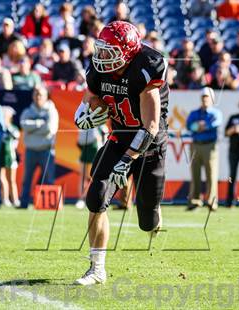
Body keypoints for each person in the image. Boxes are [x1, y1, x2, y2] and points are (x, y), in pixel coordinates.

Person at [74, 21, 169, 285]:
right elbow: (91, 97)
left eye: (110, 51)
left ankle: (154, 214)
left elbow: (149, 126)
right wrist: (84, 113)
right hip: (119, 136)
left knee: (148, 222)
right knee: (96, 197)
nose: (103, 57)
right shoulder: (98, 69)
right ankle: (97, 268)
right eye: (102, 50)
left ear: (127, 52)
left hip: (150, 143)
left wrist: (128, 160)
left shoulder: (146, 67)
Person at [19, 86, 59, 209]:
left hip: (46, 150)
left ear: (46, 96)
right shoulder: (27, 111)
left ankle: (47, 205)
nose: (38, 97)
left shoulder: (51, 111)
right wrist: (39, 124)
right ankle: (24, 203)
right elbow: (23, 125)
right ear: (33, 96)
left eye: (41, 94)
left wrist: (32, 128)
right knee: (27, 180)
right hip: (31, 150)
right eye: (36, 94)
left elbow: (50, 128)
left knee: (48, 179)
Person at [186, 87, 222, 211]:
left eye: (207, 97)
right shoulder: (194, 113)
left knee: (211, 174)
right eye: (203, 97)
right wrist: (202, 126)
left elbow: (216, 123)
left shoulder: (215, 113)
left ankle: (212, 201)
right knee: (195, 174)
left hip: (210, 145)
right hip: (196, 145)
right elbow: (189, 125)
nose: (205, 99)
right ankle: (195, 201)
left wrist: (203, 126)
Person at [75, 126, 106, 209]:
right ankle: (81, 199)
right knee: (83, 176)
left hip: (96, 148)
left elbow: (105, 137)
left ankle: (97, 199)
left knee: (96, 177)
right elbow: (79, 139)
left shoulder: (100, 124)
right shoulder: (82, 120)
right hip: (85, 148)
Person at [0, 106, 20, 207]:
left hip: (10, 156)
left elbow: (16, 139)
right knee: (1, 178)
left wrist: (8, 128)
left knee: (12, 180)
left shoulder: (13, 128)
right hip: (0, 156)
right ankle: (5, 199)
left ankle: (15, 199)